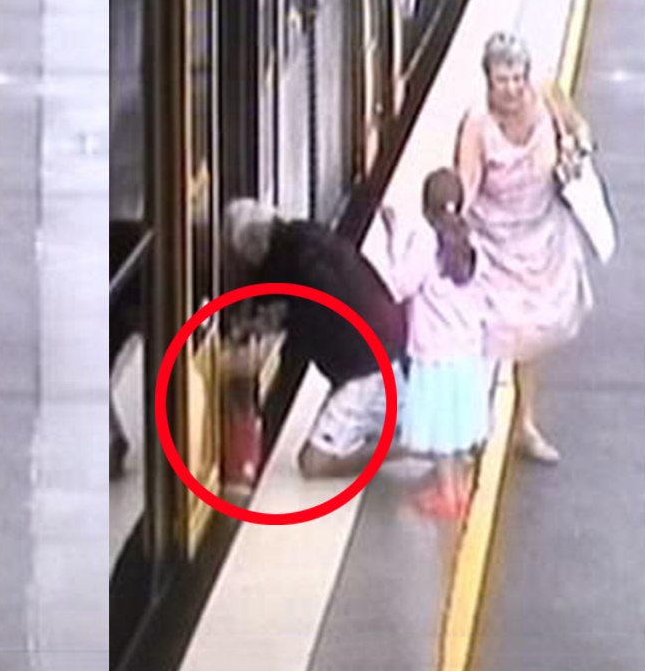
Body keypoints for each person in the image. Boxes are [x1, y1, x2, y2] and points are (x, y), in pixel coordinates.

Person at [455, 31, 593, 465]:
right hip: (493, 246)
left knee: (530, 338)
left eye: (517, 78)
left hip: (542, 240)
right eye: (502, 80)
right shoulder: (476, 125)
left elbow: (580, 128)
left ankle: (525, 425)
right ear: (487, 81)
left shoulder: (547, 96)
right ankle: (470, 430)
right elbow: (465, 188)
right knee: (485, 340)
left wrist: (579, 150)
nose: (511, 88)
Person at [225, 199, 407, 478]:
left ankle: (412, 444)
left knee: (312, 463)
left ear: (253, 247)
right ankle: (398, 421)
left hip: (367, 365)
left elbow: (298, 342)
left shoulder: (298, 269)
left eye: (243, 258)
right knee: (375, 415)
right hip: (387, 345)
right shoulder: (305, 238)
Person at [381, 170, 491, 518]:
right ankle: (457, 487)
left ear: (425, 207)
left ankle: (448, 495)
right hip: (468, 350)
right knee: (458, 426)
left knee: (443, 429)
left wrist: (393, 237)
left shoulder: (425, 243)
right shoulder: (473, 240)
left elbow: (400, 285)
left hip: (435, 352)